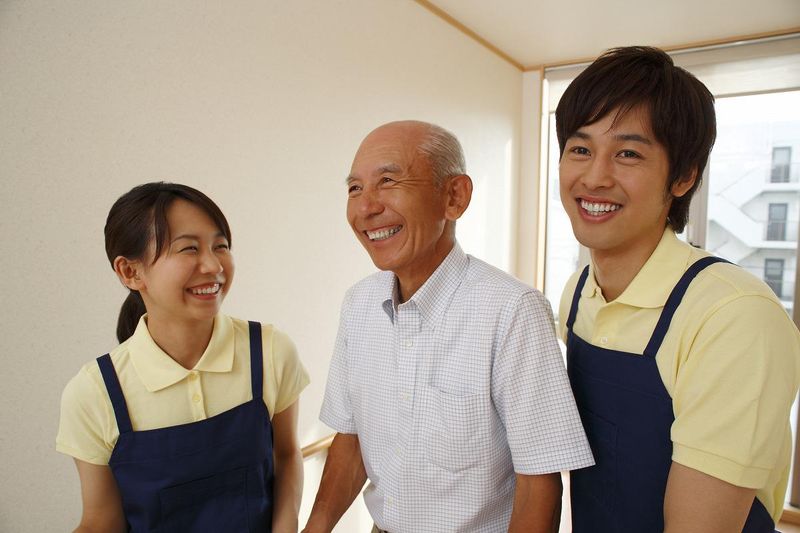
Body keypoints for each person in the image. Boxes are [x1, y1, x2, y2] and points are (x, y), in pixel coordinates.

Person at [303, 120, 593, 533]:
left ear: (454, 197)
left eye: (388, 180)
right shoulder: (358, 304)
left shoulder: (513, 311)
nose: (365, 207)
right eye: (354, 188)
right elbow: (350, 442)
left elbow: (539, 482)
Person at [556, 46, 800, 532]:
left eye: (628, 153)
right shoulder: (579, 290)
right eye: (580, 149)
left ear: (684, 177)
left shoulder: (733, 315)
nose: (595, 176)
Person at [56, 182, 309, 532]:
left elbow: (286, 456)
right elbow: (102, 521)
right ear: (131, 272)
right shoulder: (95, 393)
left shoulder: (268, 350)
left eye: (220, 246)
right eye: (188, 249)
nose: (212, 265)